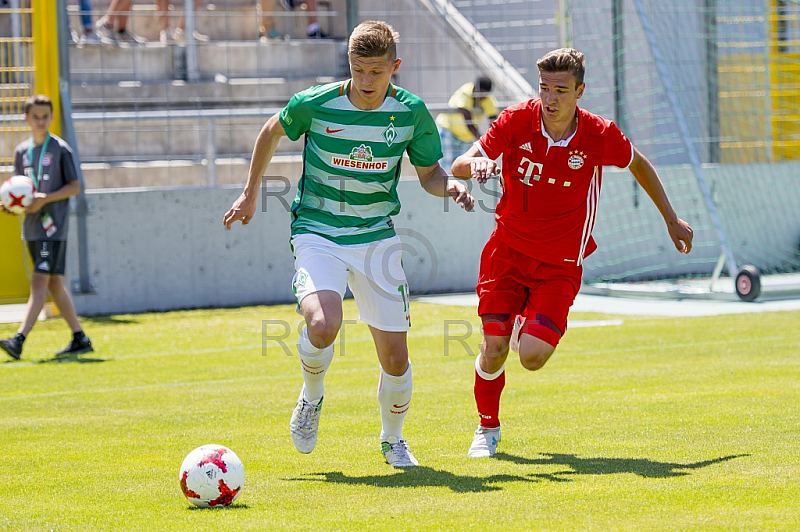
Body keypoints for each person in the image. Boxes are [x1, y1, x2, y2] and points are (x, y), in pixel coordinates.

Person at [223, 21, 474, 467]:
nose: (366, 82)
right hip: (318, 231)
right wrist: (249, 193)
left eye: (377, 72)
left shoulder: (411, 112)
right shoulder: (317, 103)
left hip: (376, 237)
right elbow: (270, 131)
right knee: (323, 324)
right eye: (358, 70)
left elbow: (430, 174)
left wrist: (450, 187)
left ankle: (392, 439)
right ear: (349, 65)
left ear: (395, 67)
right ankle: (311, 397)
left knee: (395, 359)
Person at [451, 48, 694, 458]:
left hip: (560, 265)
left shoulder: (599, 135)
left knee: (530, 357)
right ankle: (487, 429)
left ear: (580, 91)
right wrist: (477, 167)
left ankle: (526, 320)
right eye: (544, 88)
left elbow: (640, 165)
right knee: (493, 349)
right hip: (507, 253)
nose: (550, 98)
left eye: (561, 90)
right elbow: (460, 163)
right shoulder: (515, 120)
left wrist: (671, 218)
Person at [0, 95, 93, 361]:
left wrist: (45, 199)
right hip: (30, 227)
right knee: (53, 284)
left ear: (52, 117)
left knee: (40, 281)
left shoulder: (61, 149)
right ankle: (79, 337)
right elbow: (19, 189)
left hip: (53, 229)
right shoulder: (21, 152)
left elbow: (75, 186)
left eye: (45, 116)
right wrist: (11, 205)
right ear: (26, 119)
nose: (41, 121)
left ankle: (18, 339)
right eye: (35, 116)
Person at [436, 76, 499, 171]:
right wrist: (483, 141)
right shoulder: (464, 94)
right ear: (474, 87)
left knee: (463, 167)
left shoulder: (487, 98)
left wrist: (492, 138)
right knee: (446, 165)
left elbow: (493, 119)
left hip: (466, 137)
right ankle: (445, 185)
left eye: (483, 95)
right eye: (479, 93)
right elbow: (469, 122)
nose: (480, 97)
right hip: (448, 131)